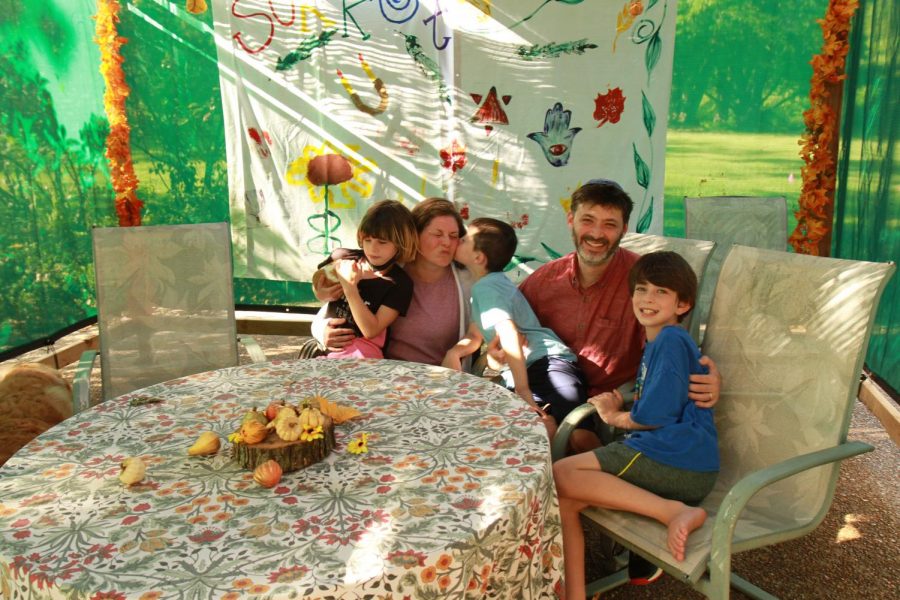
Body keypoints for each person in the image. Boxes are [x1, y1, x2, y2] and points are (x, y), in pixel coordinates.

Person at [553, 251, 719, 600]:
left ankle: (673, 512)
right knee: (566, 501)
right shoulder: (657, 342)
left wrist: (613, 416)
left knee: (559, 475)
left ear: (683, 303)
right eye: (642, 289)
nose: (648, 299)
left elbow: (655, 416)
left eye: (661, 292)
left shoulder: (671, 340)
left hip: (676, 457)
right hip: (673, 458)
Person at [512, 178, 721, 452]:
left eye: (609, 224)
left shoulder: (644, 285)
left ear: (624, 229)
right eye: (587, 220)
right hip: (546, 398)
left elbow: (676, 346)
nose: (596, 234)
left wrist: (710, 377)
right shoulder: (545, 280)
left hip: (608, 414)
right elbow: (506, 327)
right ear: (570, 220)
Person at [442, 218, 584, 437]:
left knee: (574, 434)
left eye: (462, 239)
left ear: (479, 258)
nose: (456, 241)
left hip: (542, 366)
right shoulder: (492, 284)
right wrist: (456, 351)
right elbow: (474, 333)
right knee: (554, 432)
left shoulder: (487, 288)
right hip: (535, 368)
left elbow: (509, 333)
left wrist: (522, 390)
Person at [313, 198, 473, 367]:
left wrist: (457, 353)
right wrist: (323, 332)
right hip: (383, 375)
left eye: (454, 236)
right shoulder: (382, 266)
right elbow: (329, 312)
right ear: (414, 235)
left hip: (439, 379)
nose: (447, 242)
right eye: (437, 234)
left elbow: (479, 332)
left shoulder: (466, 283)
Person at [314, 200, 417, 359]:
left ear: (401, 243)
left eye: (382, 242)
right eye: (367, 240)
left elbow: (370, 330)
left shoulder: (399, 283)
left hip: (364, 356)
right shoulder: (344, 258)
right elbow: (318, 284)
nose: (373, 249)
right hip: (327, 350)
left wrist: (350, 287)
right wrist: (321, 293)